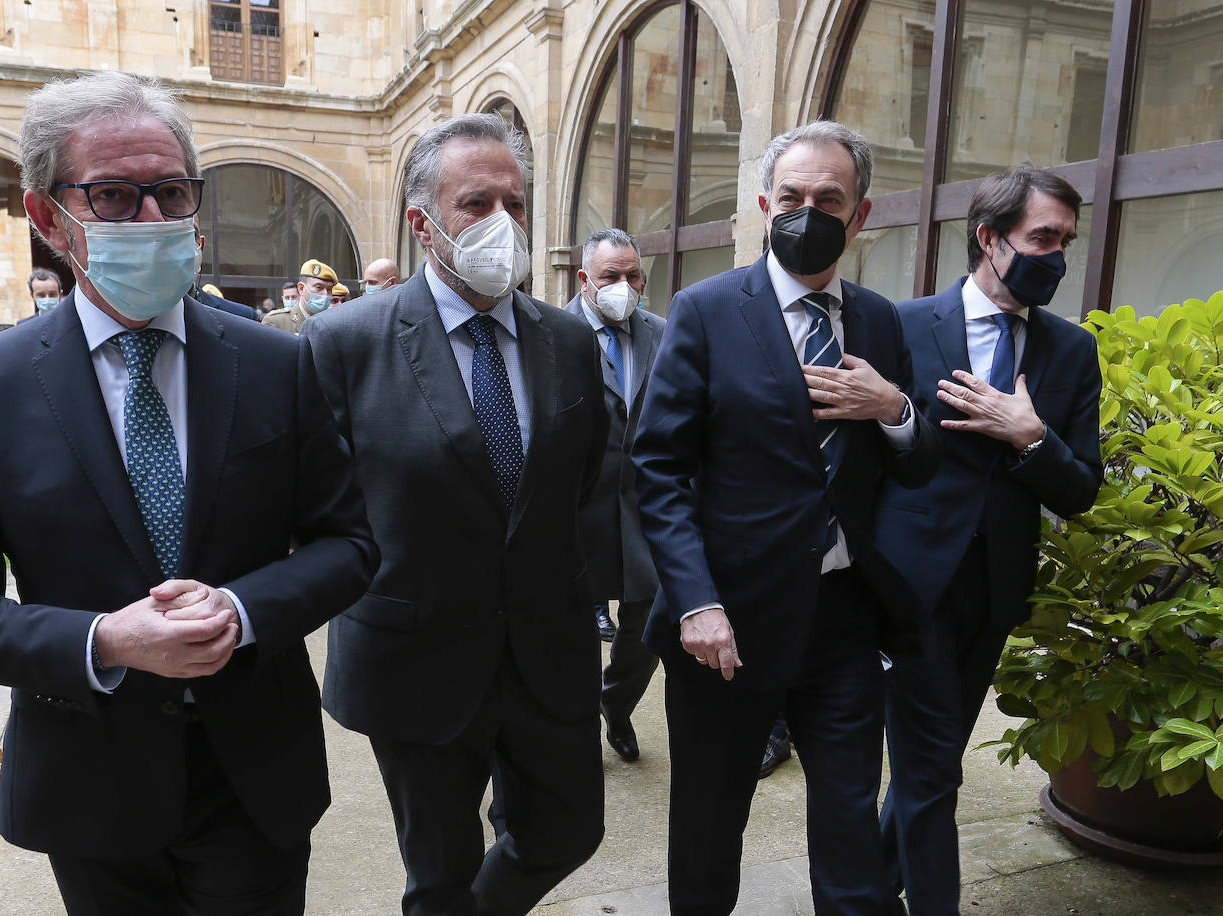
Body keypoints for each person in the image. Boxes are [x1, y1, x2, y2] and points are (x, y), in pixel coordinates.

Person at [0, 71, 379, 916]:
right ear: (48, 217)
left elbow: (351, 544)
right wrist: (104, 641)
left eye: (172, 192)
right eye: (115, 196)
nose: (155, 220)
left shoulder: (277, 363)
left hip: (254, 770)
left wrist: (242, 607)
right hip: (92, 779)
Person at [304, 111, 608, 916]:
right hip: (417, 658)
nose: (501, 222)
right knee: (437, 875)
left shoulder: (568, 341)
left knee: (569, 830)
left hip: (547, 649)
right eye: (477, 204)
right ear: (422, 222)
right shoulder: (344, 342)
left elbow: (578, 485)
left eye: (515, 203)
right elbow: (318, 508)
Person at [632, 119, 940, 915]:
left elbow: (915, 462)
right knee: (709, 821)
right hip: (725, 626)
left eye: (829, 199)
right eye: (793, 197)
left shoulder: (878, 320)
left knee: (846, 821)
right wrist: (695, 601)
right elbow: (656, 469)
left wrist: (898, 407)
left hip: (841, 620)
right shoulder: (704, 310)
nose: (809, 212)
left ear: (859, 215)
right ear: (767, 204)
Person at [874, 165, 1103, 916]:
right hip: (906, 584)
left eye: (1066, 241)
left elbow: (1081, 490)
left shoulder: (1070, 353)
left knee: (926, 759)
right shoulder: (901, 326)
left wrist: (1033, 438)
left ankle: (869, 890)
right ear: (989, 238)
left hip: (996, 589)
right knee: (934, 771)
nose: (1057, 257)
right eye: (1042, 238)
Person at [565, 227, 666, 763]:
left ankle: (617, 706)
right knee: (574, 635)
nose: (623, 286)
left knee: (647, 629)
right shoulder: (551, 334)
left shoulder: (662, 333)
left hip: (643, 512)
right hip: (574, 514)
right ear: (585, 280)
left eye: (632, 276)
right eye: (610, 277)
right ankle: (577, 725)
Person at [263, 260, 334, 334]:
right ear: (301, 289)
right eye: (319, 287)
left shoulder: (332, 323)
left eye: (329, 289)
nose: (325, 294)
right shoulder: (275, 322)